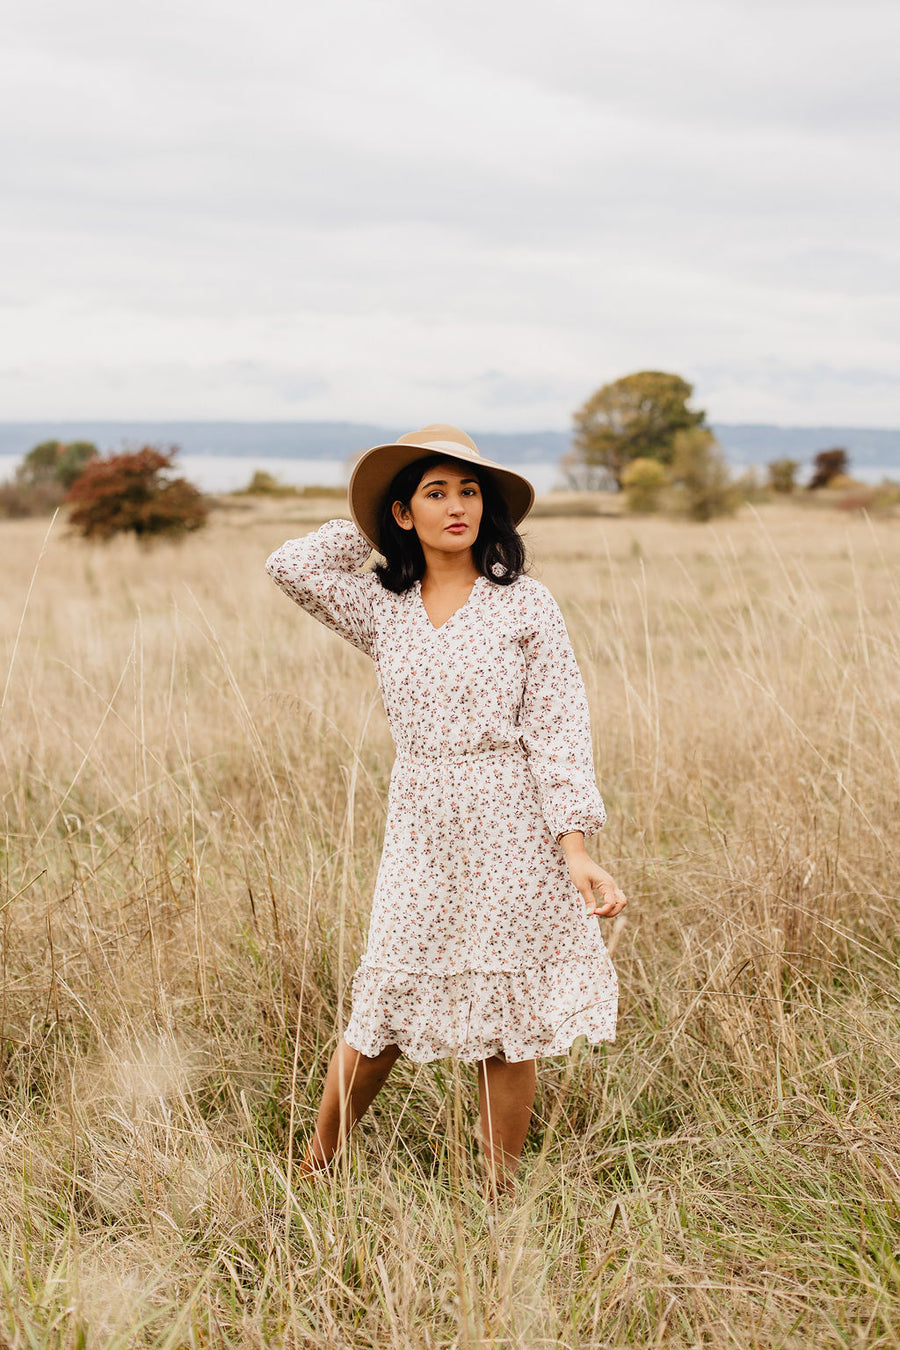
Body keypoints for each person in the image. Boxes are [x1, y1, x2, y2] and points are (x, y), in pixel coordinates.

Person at [265, 424, 626, 1198]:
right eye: (436, 493)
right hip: (422, 821)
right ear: (405, 514)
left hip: (513, 820)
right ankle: (314, 1172)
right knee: (384, 1003)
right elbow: (289, 566)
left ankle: (497, 1196)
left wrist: (576, 848)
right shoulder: (383, 606)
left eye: (469, 491)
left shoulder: (526, 604)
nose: (457, 506)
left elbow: (559, 727)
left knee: (507, 1016)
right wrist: (362, 525)